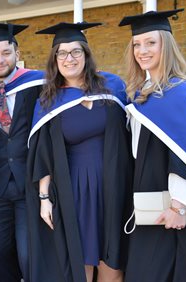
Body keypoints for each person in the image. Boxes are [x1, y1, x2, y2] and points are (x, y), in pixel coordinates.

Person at [26, 22, 132, 282]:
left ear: (86, 54)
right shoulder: (49, 100)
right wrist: (44, 199)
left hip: (114, 185)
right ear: (54, 59)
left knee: (113, 264)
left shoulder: (113, 86)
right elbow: (44, 152)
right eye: (62, 53)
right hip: (73, 189)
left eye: (75, 52)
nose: (69, 58)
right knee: (79, 264)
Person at [119, 9, 186, 282]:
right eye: (137, 44)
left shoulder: (181, 92)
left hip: (171, 206)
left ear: (165, 45)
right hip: (146, 199)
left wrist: (179, 206)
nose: (142, 50)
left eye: (150, 43)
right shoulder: (141, 91)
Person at [0, 21, 44, 282]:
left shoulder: (36, 84)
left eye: (5, 53)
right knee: (0, 253)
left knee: (28, 253)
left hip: (28, 184)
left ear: (17, 53)